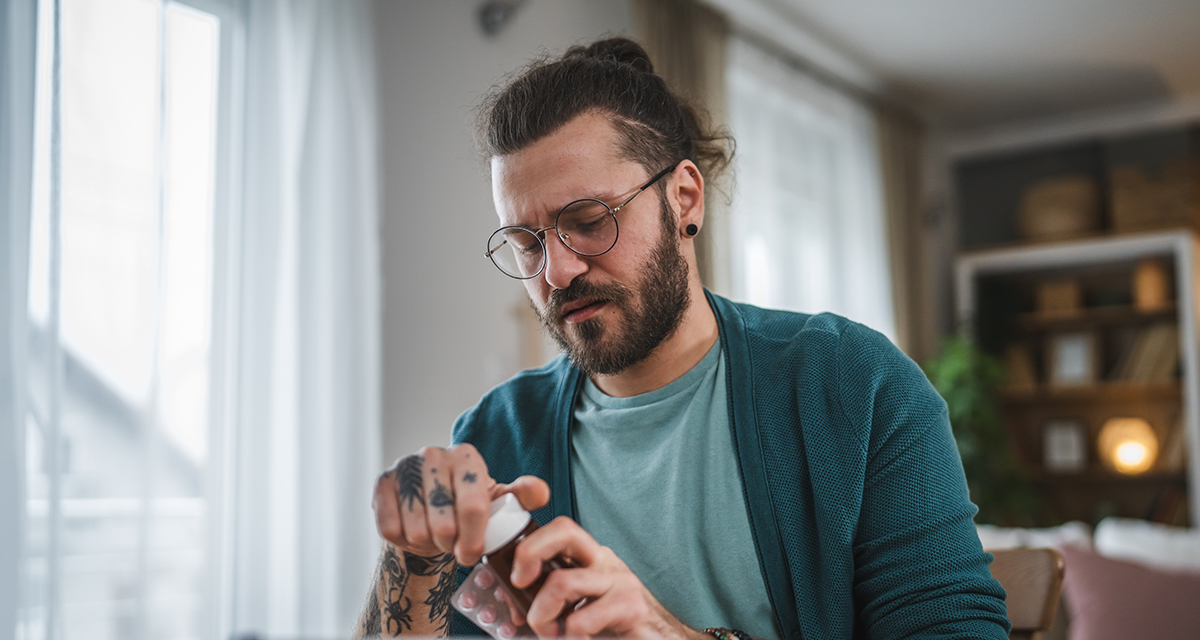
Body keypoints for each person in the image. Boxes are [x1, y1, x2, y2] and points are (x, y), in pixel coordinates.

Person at [354, 38, 1010, 640]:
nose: (556, 272)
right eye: (526, 243)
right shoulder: (497, 433)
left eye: (587, 221)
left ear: (685, 199)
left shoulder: (852, 386)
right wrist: (414, 557)